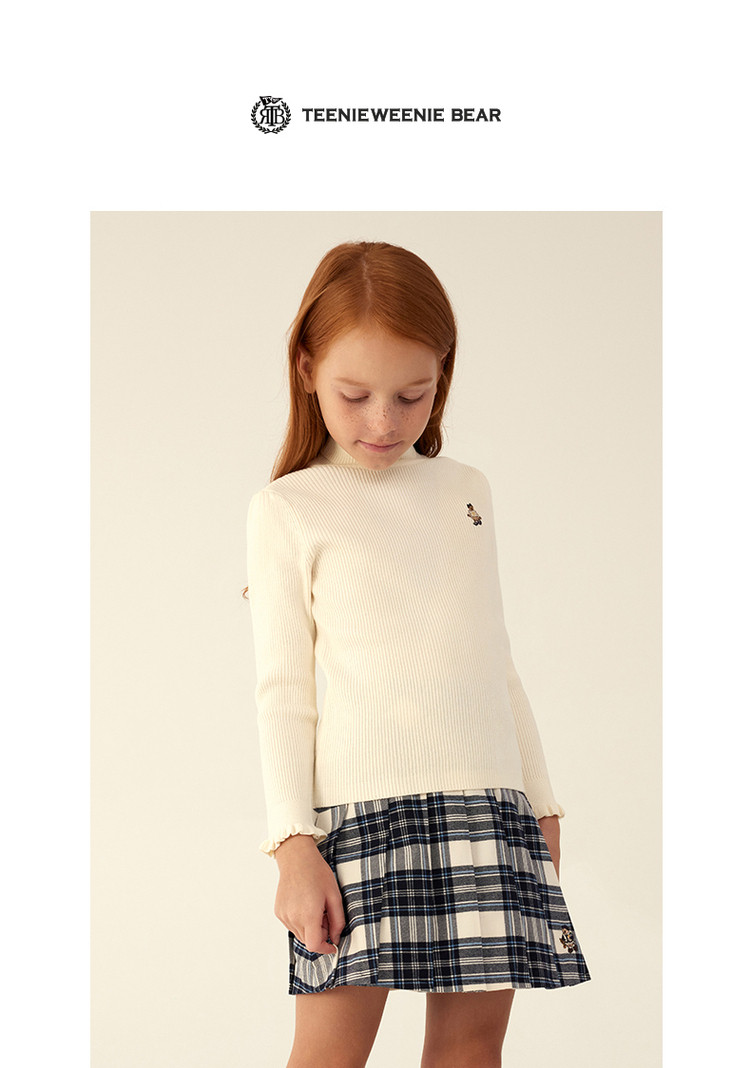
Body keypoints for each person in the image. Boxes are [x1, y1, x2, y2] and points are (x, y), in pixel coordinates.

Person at [244, 241, 591, 1068]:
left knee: (472, 1051)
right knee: (329, 1053)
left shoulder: (467, 491)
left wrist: (541, 799)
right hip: (358, 817)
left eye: (412, 395)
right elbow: (283, 690)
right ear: (306, 369)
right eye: (355, 395)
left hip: (489, 802)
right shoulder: (289, 508)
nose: (384, 422)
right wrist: (292, 843)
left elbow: (493, 656)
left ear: (443, 375)